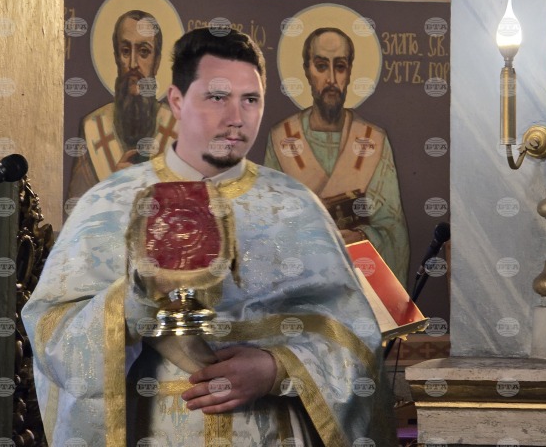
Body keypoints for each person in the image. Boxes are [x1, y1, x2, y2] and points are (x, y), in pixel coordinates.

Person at [23, 27, 397, 446]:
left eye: (250, 99)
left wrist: (276, 368)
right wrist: (138, 295)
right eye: (217, 97)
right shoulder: (108, 204)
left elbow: (355, 340)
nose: (236, 117)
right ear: (177, 101)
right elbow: (54, 338)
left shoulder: (296, 206)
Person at [265, 27, 411, 287]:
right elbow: (269, 226)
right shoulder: (282, 138)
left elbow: (393, 231)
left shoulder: (373, 140)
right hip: (304, 285)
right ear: (307, 71)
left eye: (340, 67)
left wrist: (361, 238)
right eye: (321, 66)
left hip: (359, 283)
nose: (331, 79)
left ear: (350, 72)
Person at [67, 9, 178, 200]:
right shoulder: (93, 128)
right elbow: (77, 211)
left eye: (144, 52)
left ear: (157, 61)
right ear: (116, 57)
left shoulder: (177, 128)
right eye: (126, 51)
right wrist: (111, 191)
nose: (133, 63)